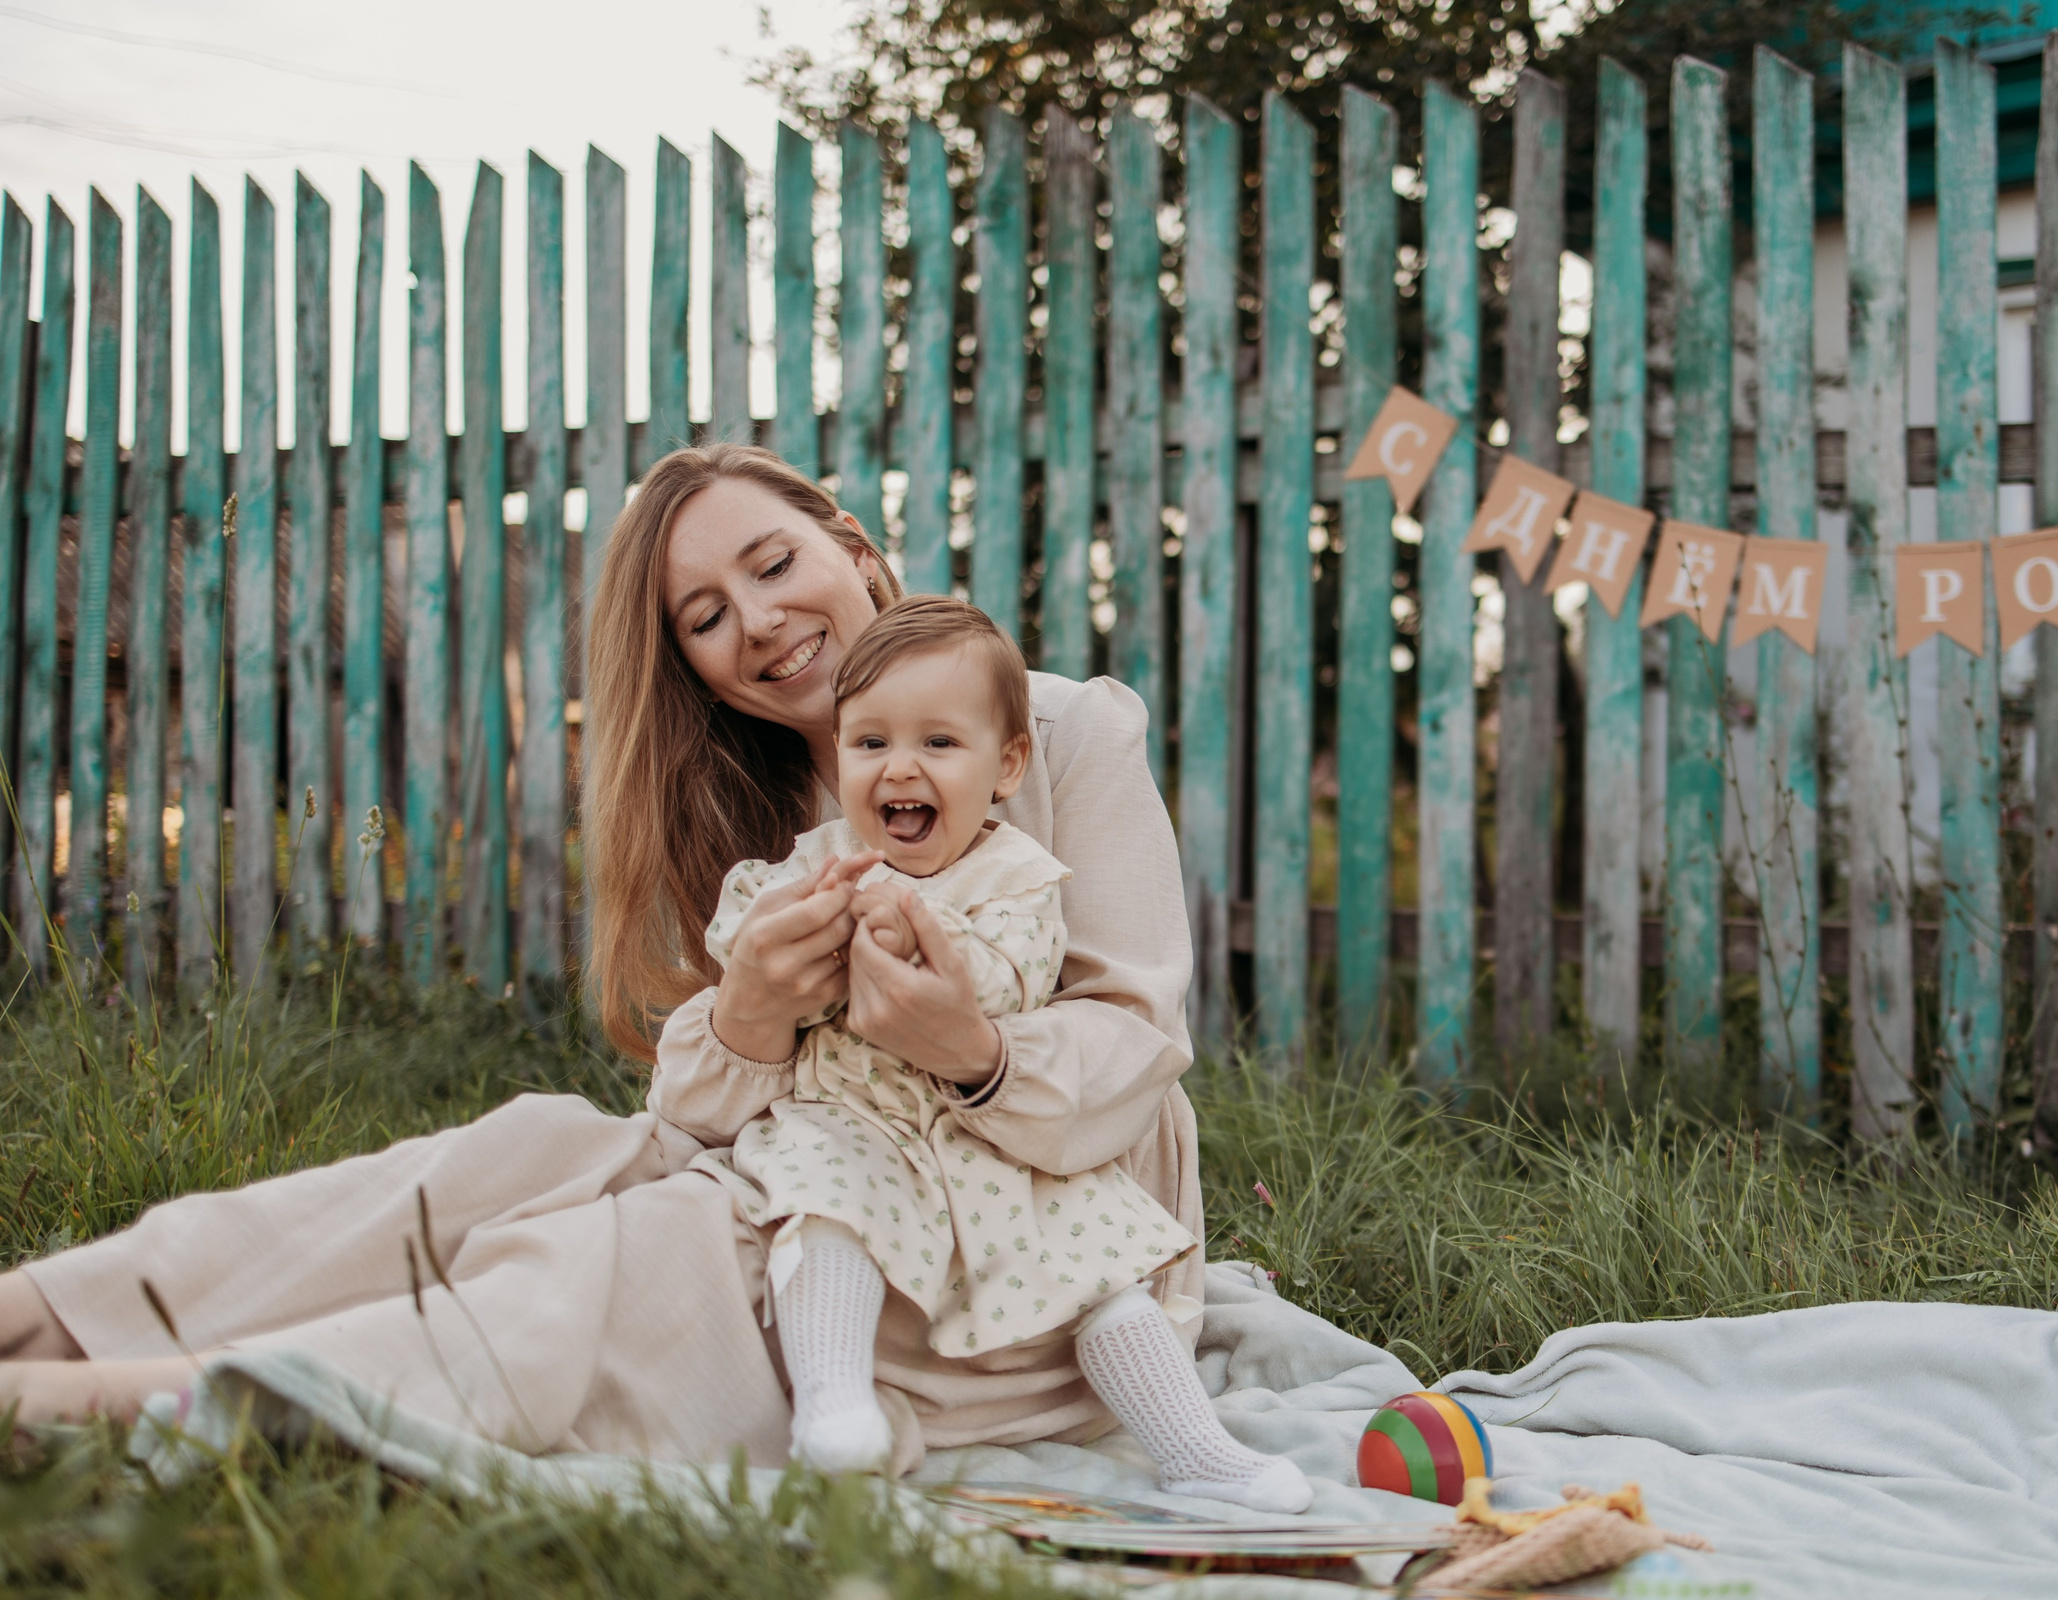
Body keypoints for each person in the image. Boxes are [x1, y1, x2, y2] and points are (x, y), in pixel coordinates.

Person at [0, 444, 1228, 1487]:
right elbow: (695, 1114)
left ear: (851, 548)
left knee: (652, 1252)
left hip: (1036, 1222)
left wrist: (969, 1046)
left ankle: (152, 1401)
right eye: (704, 618)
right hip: (825, 1159)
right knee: (531, 1148)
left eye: (772, 565)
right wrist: (747, 1014)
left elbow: (1138, 1039)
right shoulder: (747, 807)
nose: (756, 623)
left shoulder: (1060, 730)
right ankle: (49, 1314)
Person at [709, 595, 1305, 1510]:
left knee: (1102, 1271)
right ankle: (834, 1411)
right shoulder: (825, 861)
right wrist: (781, 935)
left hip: (992, 1139)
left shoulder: (1015, 873)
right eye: (869, 744)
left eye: (938, 744)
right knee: (824, 1211)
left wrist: (916, 939)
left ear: (1005, 765)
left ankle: (1197, 1451)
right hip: (852, 1120)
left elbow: (1012, 978)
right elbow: (744, 933)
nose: (898, 767)